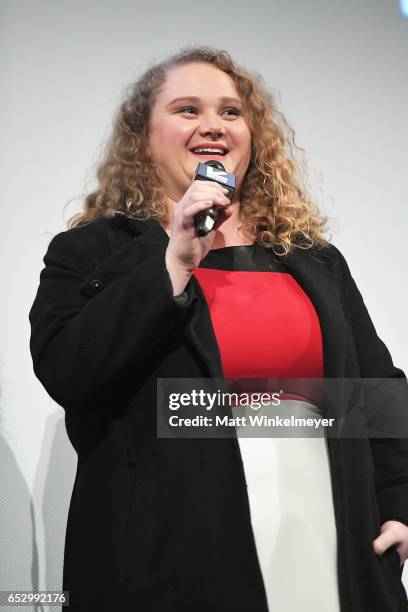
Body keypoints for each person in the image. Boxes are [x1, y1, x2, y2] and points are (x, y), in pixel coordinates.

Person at [29, 46, 408, 612]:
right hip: (171, 559)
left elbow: (376, 387)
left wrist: (400, 496)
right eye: (187, 110)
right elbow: (69, 368)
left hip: (327, 546)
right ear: (143, 136)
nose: (213, 125)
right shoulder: (91, 252)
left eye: (231, 112)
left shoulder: (310, 259)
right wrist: (174, 261)